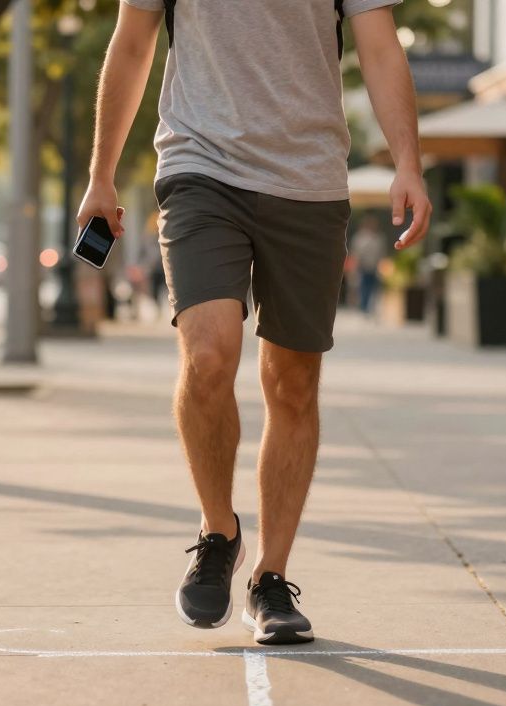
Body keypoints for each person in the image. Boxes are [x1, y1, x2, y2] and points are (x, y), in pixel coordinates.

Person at [79, 0, 430, 645]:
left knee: (292, 382)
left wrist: (408, 161)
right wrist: (100, 175)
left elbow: (381, 49)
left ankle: (271, 577)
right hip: (199, 167)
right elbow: (131, 45)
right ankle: (219, 532)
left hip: (310, 181)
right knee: (209, 356)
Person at [350, 215, 386, 315]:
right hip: (363, 266)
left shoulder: (378, 237)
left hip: (374, 267)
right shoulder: (360, 237)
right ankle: (363, 308)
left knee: (373, 288)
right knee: (363, 287)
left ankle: (369, 308)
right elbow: (356, 252)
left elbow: (381, 252)